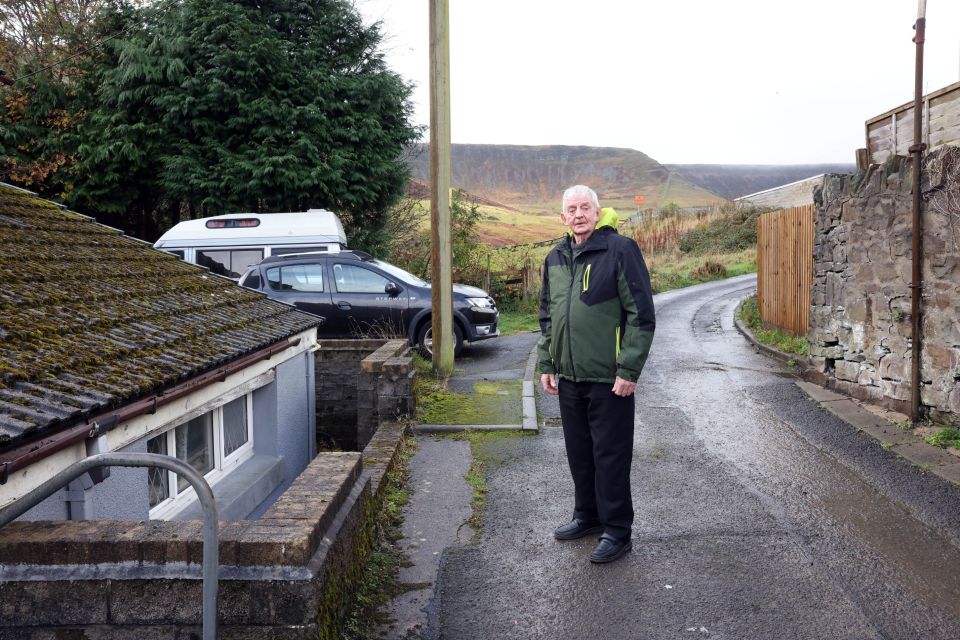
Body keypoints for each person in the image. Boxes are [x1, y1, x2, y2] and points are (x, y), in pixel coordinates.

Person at [537, 184, 656, 564]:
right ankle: (587, 516)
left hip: (610, 378)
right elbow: (548, 318)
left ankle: (618, 531)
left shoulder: (620, 249)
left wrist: (629, 369)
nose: (578, 215)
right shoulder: (555, 257)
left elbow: (641, 314)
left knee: (611, 456)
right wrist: (547, 362)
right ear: (562, 217)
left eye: (584, 207)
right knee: (580, 454)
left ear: (597, 211)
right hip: (570, 377)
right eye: (571, 209)